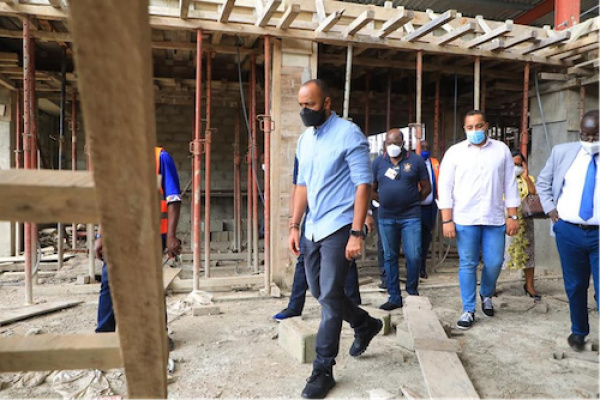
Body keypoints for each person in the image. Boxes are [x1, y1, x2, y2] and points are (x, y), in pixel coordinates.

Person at [289, 79, 382, 399]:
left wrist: (357, 232)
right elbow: (301, 185)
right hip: (313, 226)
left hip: (341, 226)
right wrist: (294, 224)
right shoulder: (305, 140)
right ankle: (365, 324)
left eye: (310, 105)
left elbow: (363, 184)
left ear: (327, 103)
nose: (305, 111)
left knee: (329, 293)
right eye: (301, 105)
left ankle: (322, 368)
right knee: (319, 291)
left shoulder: (349, 134)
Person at [438, 110, 520, 330]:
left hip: (494, 218)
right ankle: (468, 309)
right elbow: (444, 187)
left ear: (487, 126)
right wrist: (447, 220)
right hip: (465, 217)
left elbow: (510, 184)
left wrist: (512, 216)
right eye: (470, 127)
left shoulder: (501, 150)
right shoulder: (454, 153)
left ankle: (486, 293)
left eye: (479, 126)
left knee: (494, 262)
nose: (475, 131)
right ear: (464, 129)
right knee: (468, 263)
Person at [95, 147, 182, 346]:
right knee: (110, 282)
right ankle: (104, 337)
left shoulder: (160, 158)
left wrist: (171, 236)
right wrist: (101, 235)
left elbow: (173, 199)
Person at [536, 110, 599, 352]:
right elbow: (543, 182)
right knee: (575, 285)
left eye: (595, 136)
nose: (590, 141)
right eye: (585, 135)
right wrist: (552, 211)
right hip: (569, 232)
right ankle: (579, 332)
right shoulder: (562, 152)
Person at [273, 156, 362, 321]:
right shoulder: (305, 150)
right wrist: (294, 223)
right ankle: (295, 306)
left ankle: (353, 305)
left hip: (339, 216)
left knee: (346, 259)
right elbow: (297, 187)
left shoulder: (342, 147)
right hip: (313, 218)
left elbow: (359, 185)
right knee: (304, 261)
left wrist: (364, 215)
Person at [372, 130, 431, 310]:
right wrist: (385, 201)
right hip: (386, 217)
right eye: (389, 143)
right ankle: (394, 296)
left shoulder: (416, 161)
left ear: (403, 143)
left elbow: (426, 188)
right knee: (390, 256)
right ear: (384, 144)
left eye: (396, 143)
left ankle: (412, 292)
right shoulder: (378, 163)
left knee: (414, 254)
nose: (392, 147)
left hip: (410, 216)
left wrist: (411, 201)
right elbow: (371, 188)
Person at [504, 150, 540, 299]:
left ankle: (529, 286)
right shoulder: (501, 178)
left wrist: (525, 176)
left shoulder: (528, 178)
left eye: (519, 164)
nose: (516, 167)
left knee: (528, 253)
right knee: (500, 254)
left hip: (525, 220)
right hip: (505, 219)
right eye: (513, 164)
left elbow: (533, 193)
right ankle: (490, 287)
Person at [419, 139, 440, 279]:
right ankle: (413, 268)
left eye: (427, 147)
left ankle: (422, 267)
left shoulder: (435, 163)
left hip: (430, 206)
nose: (425, 150)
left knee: (426, 238)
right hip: (415, 207)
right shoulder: (413, 162)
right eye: (422, 147)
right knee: (415, 238)